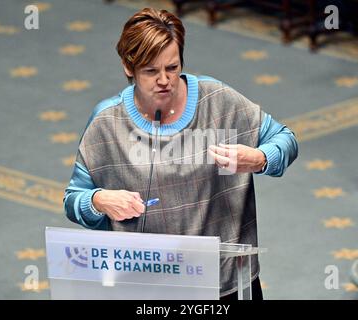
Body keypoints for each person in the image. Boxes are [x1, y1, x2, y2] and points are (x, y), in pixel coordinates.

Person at [64, 7, 298, 300]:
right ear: (128, 66)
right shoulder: (106, 122)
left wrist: (261, 158)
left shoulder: (219, 101)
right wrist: (99, 200)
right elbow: (73, 200)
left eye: (172, 68)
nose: (164, 80)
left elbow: (285, 139)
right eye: (151, 70)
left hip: (227, 282)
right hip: (148, 286)